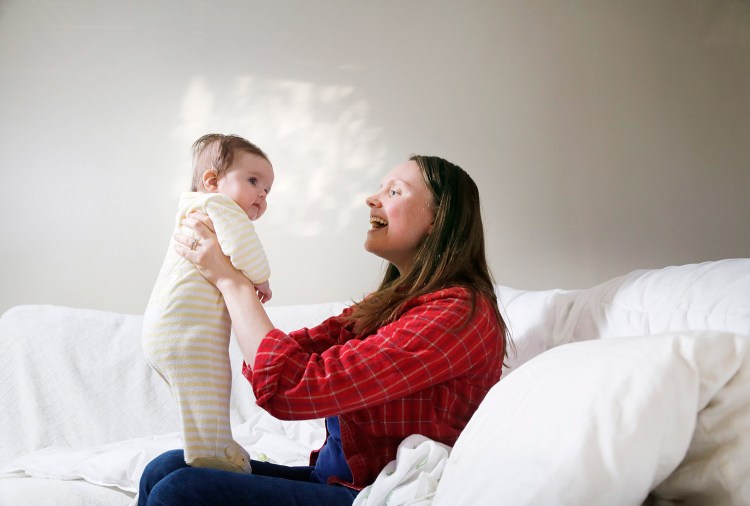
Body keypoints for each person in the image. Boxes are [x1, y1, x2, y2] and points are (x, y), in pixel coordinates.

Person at [138, 155, 509, 506]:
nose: (371, 199)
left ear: (437, 219)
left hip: (371, 493)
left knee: (181, 490)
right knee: (166, 467)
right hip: (332, 480)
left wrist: (230, 281)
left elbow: (293, 388)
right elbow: (292, 357)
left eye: (393, 191)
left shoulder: (457, 314)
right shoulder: (389, 305)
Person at [142, 134, 274, 474]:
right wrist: (260, 277)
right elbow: (243, 248)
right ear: (212, 181)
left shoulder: (195, 210)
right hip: (186, 332)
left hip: (168, 329)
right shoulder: (219, 206)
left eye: (267, 190)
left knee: (205, 394)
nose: (261, 193)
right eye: (253, 180)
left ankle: (212, 444)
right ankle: (213, 452)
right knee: (210, 391)